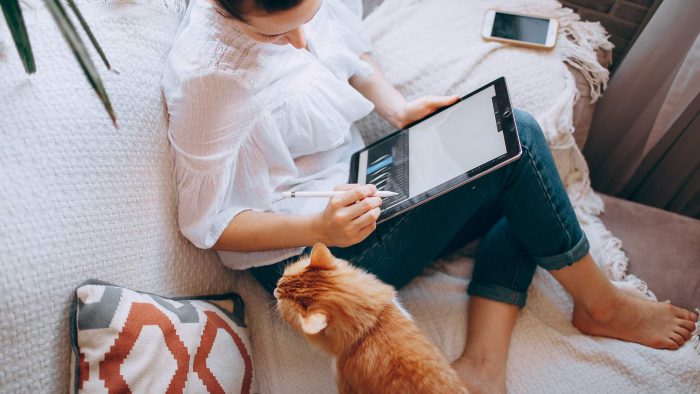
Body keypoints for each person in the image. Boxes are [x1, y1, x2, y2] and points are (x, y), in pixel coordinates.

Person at [162, 0, 697, 392]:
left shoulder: (303, 14)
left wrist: (397, 109)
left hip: (359, 186)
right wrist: (317, 229)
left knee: (524, 177)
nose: (303, 40)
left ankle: (483, 366)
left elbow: (348, 56)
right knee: (523, 140)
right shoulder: (211, 77)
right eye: (283, 35)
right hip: (310, 259)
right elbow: (207, 223)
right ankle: (599, 303)